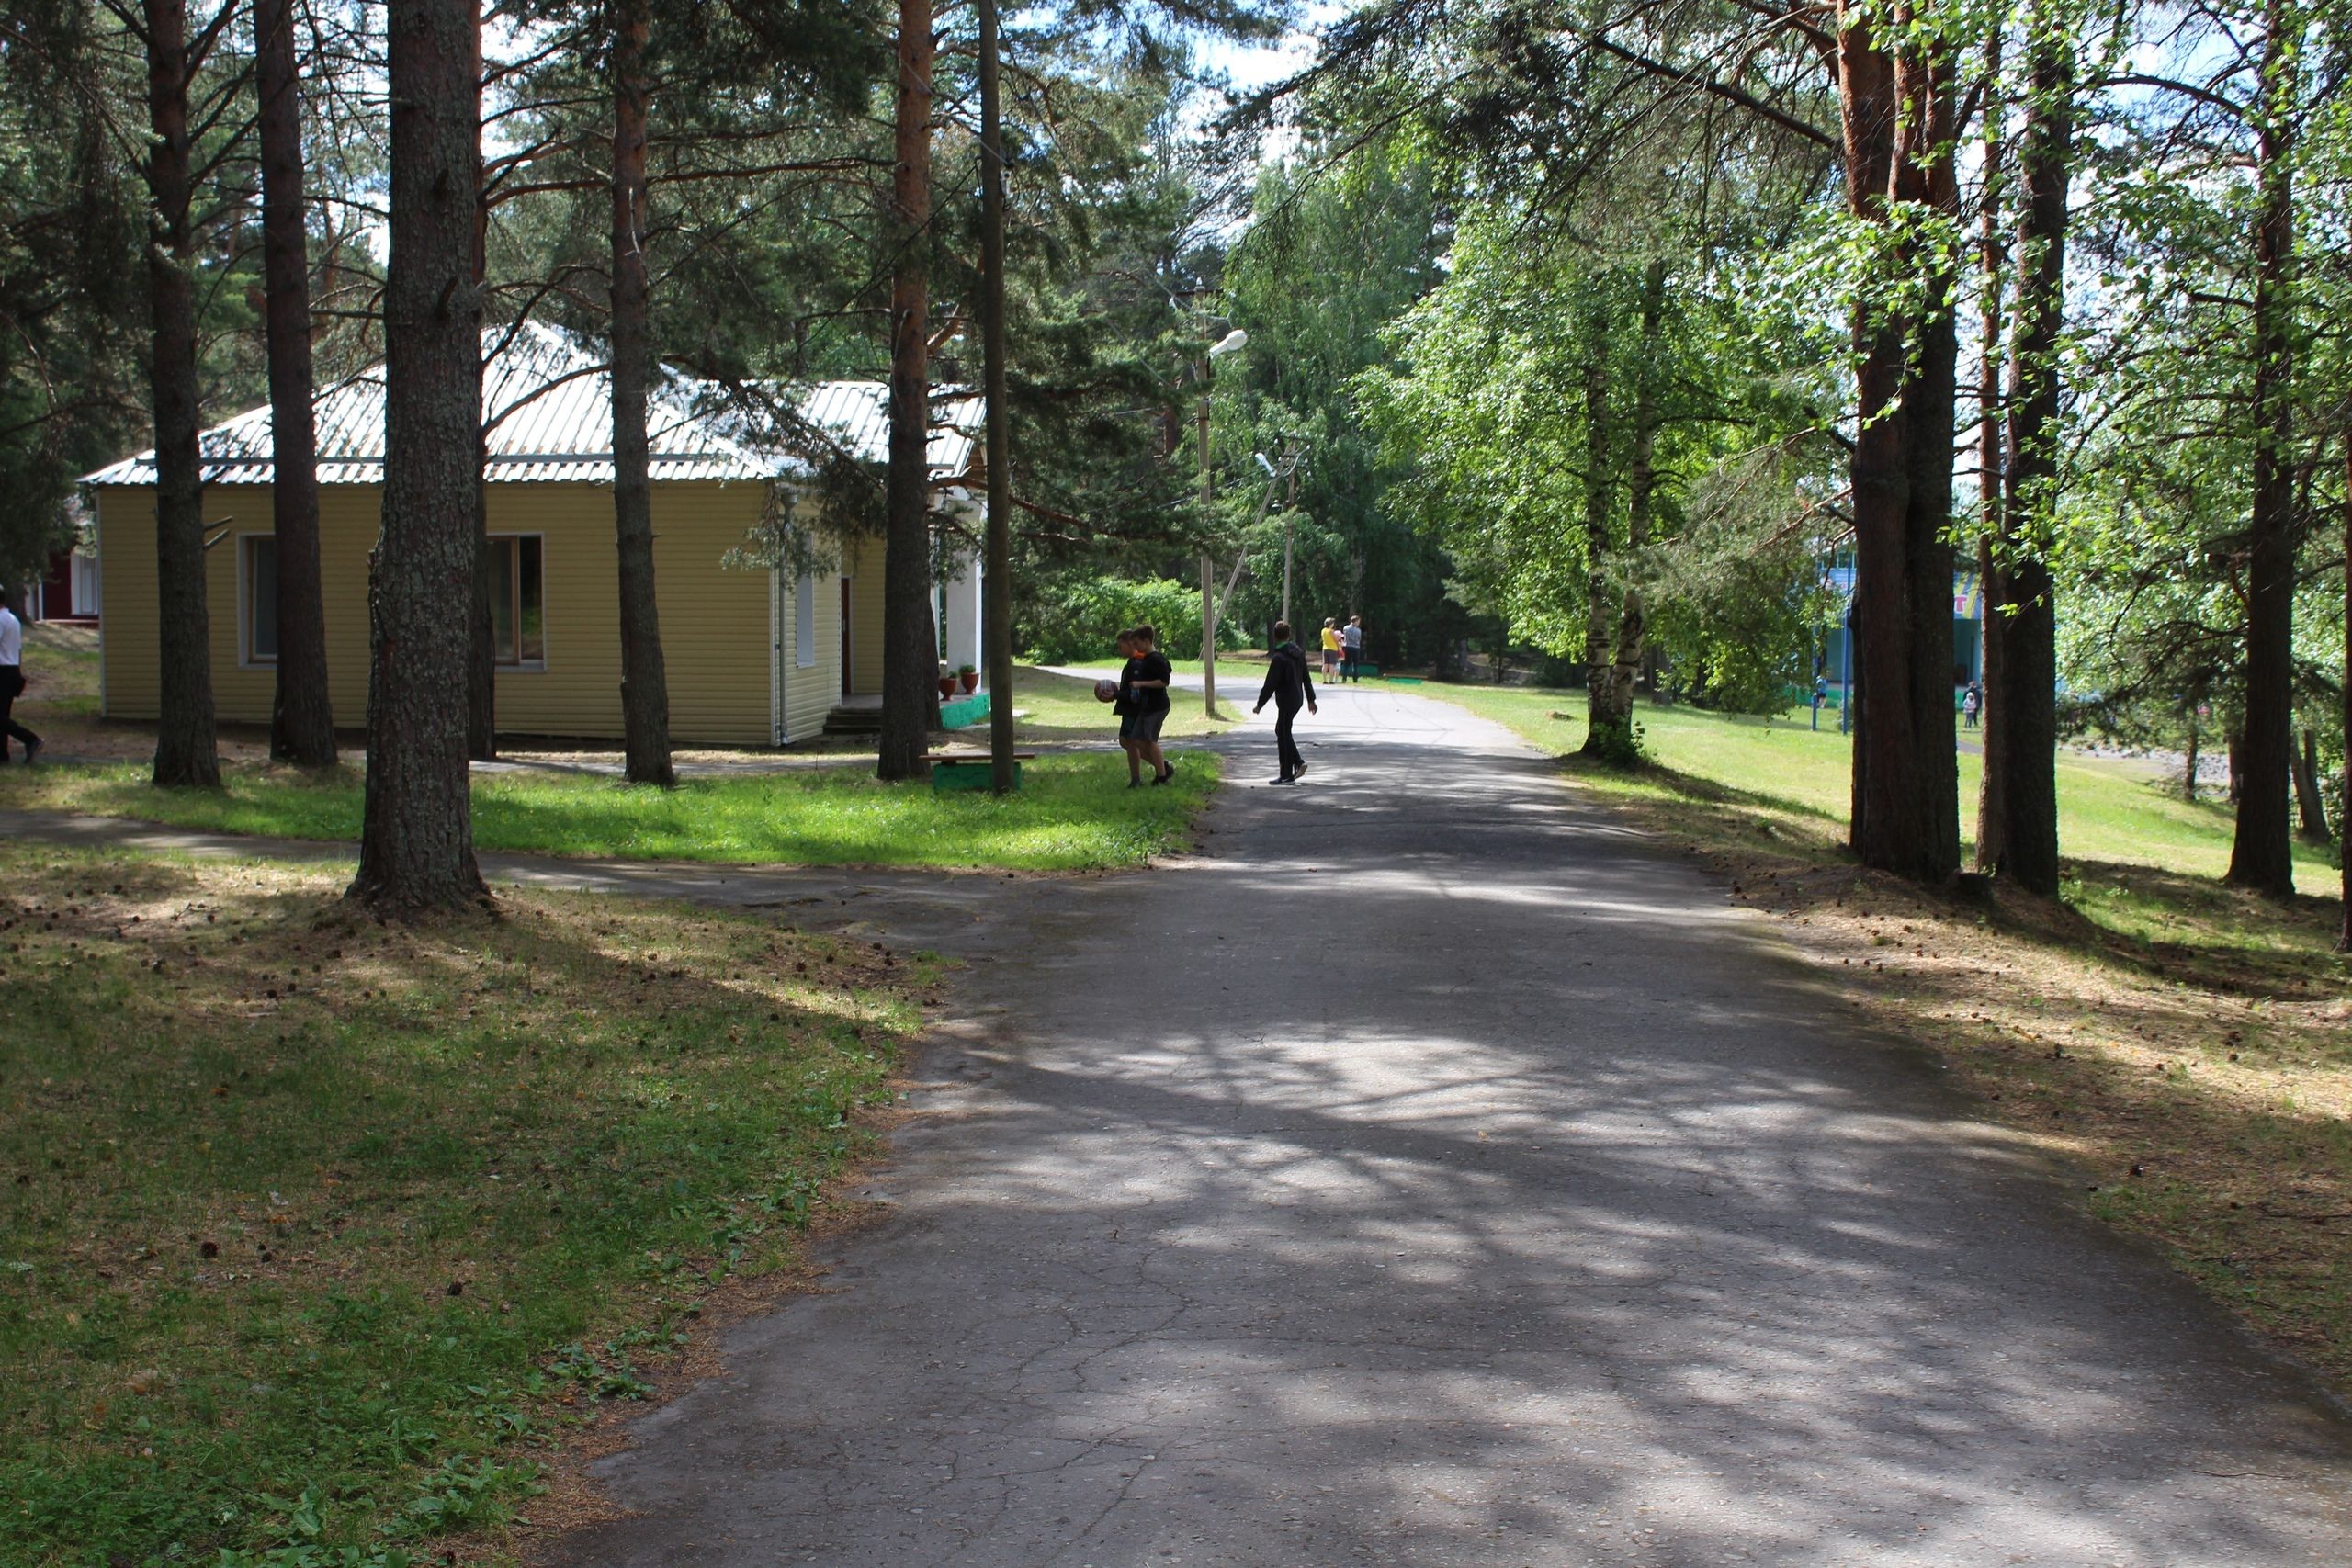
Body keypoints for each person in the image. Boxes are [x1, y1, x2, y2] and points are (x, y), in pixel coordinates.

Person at [1253, 619, 1317, 784]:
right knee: (1282, 731)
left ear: (1274, 637)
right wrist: (1311, 699)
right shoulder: (1298, 653)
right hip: (1297, 699)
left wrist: (1260, 704)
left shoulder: (1279, 658)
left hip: (1286, 700)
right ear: (1289, 635)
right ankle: (1293, 767)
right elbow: (1306, 678)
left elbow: (1270, 684)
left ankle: (1289, 771)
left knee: (1283, 732)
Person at [1116, 624, 1174, 787]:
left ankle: (1162, 776)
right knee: (1134, 740)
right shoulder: (1148, 659)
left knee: (1149, 741)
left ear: (1147, 641)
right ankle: (1162, 768)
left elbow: (1164, 681)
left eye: (1137, 644)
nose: (1135, 648)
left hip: (1157, 706)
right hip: (1147, 706)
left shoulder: (1155, 659)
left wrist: (1141, 684)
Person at [0, 598, 40, 766]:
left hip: (2, 670)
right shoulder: (12, 619)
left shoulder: (0, 620)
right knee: (3, 715)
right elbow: (18, 649)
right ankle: (2, 755)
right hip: (12, 668)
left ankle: (30, 739)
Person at [1340, 615, 1363, 683]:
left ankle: (1344, 678)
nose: (1359, 623)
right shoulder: (1358, 630)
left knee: (1346, 664)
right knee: (1355, 664)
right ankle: (1355, 679)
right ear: (1355, 621)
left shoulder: (1345, 628)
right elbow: (1359, 639)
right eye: (1358, 621)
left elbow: (1344, 637)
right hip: (1356, 648)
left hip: (1347, 647)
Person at [1318, 617, 1341, 681]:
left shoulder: (1323, 630)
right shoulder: (1331, 631)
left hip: (1325, 648)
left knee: (1325, 664)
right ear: (1331, 624)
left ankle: (1324, 679)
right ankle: (1331, 680)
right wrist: (1338, 647)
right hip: (1332, 649)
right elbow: (1335, 640)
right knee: (1331, 665)